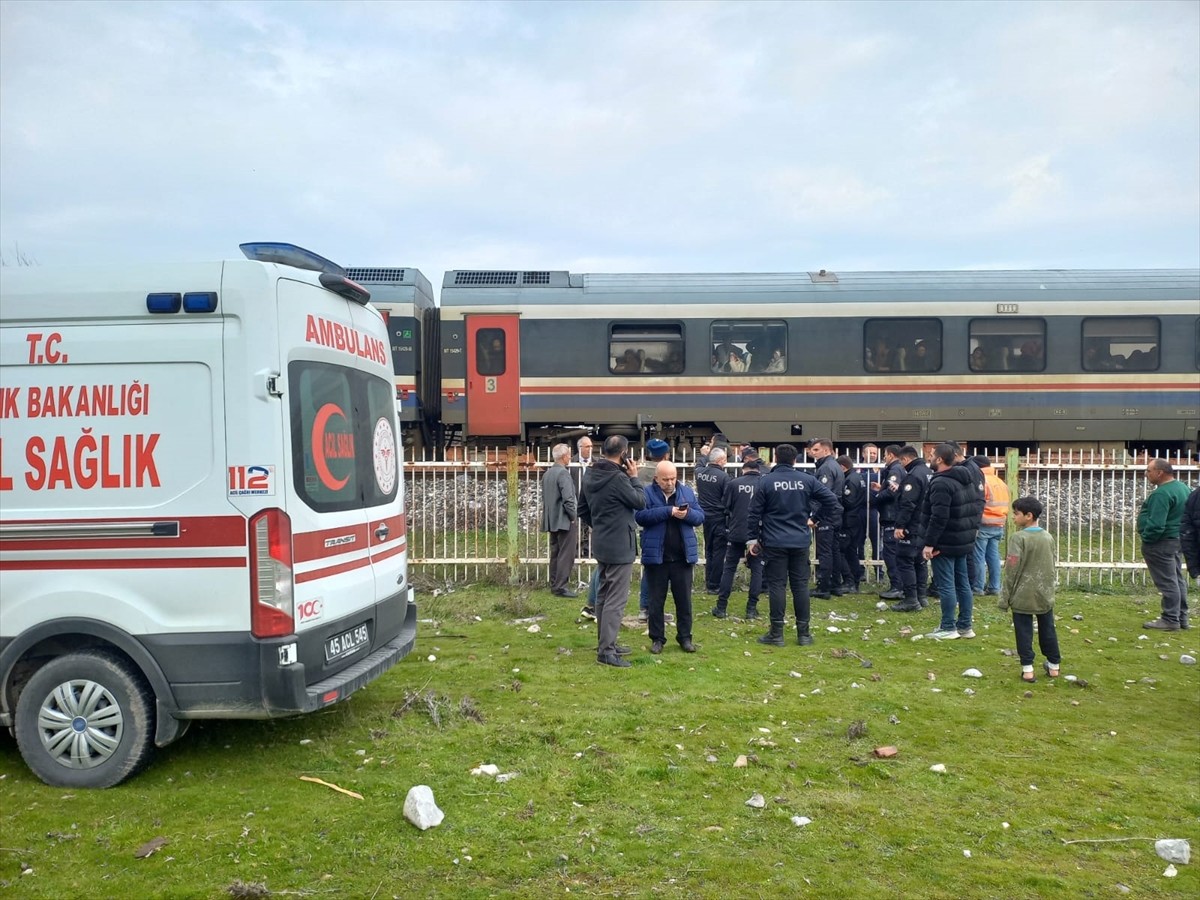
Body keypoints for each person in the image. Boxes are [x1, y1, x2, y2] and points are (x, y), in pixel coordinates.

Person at [746, 443, 841, 646]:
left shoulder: (766, 481)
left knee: (777, 586)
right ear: (794, 460)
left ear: (775, 458)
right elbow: (832, 501)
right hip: (800, 541)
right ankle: (803, 634)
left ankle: (776, 633)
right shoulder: (807, 480)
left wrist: (753, 539)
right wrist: (815, 519)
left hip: (774, 541)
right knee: (800, 586)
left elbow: (753, 513)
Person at [578, 435, 646, 667]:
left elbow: (582, 509)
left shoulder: (590, 473)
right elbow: (640, 501)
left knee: (603, 595)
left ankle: (606, 642)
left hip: (601, 542)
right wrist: (634, 477)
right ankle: (606, 651)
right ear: (624, 453)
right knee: (615, 599)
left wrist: (599, 525)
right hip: (620, 545)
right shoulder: (618, 478)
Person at [635, 460, 704, 654]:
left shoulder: (687, 492)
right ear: (656, 478)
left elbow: (700, 517)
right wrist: (668, 511)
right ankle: (657, 639)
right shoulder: (646, 493)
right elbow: (640, 517)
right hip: (657, 557)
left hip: (682, 557)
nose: (670, 482)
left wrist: (687, 514)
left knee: (684, 601)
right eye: (665, 479)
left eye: (673, 478)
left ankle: (685, 638)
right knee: (656, 602)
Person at [920, 442, 981, 640]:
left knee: (946, 585)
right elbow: (974, 508)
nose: (929, 458)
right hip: (962, 540)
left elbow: (939, 517)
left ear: (939, 459)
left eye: (931, 455)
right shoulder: (966, 479)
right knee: (963, 584)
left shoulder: (941, 483)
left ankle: (948, 626)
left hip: (944, 543)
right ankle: (965, 626)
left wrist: (929, 543)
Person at [998, 496, 1061, 682]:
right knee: (1048, 628)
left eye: (1016, 513)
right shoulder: (1048, 537)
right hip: (1044, 593)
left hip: (1022, 594)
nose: (1013, 517)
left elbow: (1012, 568)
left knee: (1023, 631)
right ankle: (1054, 665)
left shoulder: (1018, 538)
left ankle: (1027, 669)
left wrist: (1005, 597)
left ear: (1028, 515)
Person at [1138, 458, 1191, 631]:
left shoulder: (1161, 494)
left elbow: (1156, 524)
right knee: (1176, 579)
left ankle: (1170, 619)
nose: (1146, 474)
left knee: (1168, 582)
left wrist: (1147, 538)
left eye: (1148, 471)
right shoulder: (1182, 488)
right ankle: (1181, 617)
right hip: (1177, 539)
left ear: (1159, 473)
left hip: (1161, 542)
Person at [713, 457, 766, 619]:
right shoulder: (764, 484)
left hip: (736, 530)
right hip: (757, 532)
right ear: (758, 471)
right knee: (757, 570)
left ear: (744, 470)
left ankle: (721, 607)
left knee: (729, 568)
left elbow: (725, 506)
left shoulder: (734, 483)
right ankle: (751, 609)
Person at [890, 445, 932, 612]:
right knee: (920, 561)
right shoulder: (929, 473)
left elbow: (908, 503)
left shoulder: (913, 476)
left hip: (912, 525)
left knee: (906, 561)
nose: (901, 465)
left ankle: (911, 599)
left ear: (906, 459)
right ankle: (921, 596)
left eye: (901, 462)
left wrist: (900, 525)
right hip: (925, 524)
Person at [636, 439, 673, 621]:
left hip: (645, 526)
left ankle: (645, 608)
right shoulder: (664, 472)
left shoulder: (640, 472)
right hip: (663, 525)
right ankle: (652, 608)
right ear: (665, 455)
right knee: (660, 570)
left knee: (650, 568)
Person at [807, 438, 845, 597]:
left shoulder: (825, 468)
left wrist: (815, 517)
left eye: (816, 450)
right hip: (835, 514)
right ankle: (835, 584)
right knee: (834, 550)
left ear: (827, 450)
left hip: (826, 515)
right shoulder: (834, 466)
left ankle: (823, 587)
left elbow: (825, 496)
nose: (812, 452)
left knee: (825, 552)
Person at [541, 443, 579, 598]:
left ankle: (554, 583)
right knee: (566, 554)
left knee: (555, 553)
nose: (570, 457)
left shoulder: (547, 474)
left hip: (551, 519)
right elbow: (568, 499)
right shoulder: (563, 474)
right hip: (564, 520)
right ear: (564, 457)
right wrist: (573, 516)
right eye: (569, 455)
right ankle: (561, 586)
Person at [971, 455, 1010, 596]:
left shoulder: (982, 481)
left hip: (984, 523)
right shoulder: (1000, 482)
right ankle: (994, 586)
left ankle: (978, 587)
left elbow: (978, 504)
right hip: (999, 523)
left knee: (978, 556)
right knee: (993, 556)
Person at [872, 444, 906, 598]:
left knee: (890, 552)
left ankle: (897, 586)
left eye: (885, 455)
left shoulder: (895, 470)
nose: (884, 458)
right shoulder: (898, 469)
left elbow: (893, 491)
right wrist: (882, 488)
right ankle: (899, 585)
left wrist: (878, 496)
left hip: (891, 516)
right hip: (893, 515)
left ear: (891, 455)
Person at [695, 447, 730, 594]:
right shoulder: (724, 477)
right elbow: (727, 499)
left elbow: (699, 464)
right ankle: (714, 584)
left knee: (708, 549)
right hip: (719, 517)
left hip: (704, 516)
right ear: (721, 460)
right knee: (719, 551)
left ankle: (709, 580)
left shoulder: (699, 472)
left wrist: (704, 455)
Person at [835, 455, 866, 592]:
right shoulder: (858, 477)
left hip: (849, 519)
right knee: (851, 551)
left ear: (842, 467)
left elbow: (849, 501)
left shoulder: (850, 480)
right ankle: (854, 580)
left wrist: (837, 499)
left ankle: (849, 580)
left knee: (842, 551)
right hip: (856, 518)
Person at [1181, 484, 1200, 598]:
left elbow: (1187, 535)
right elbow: (1188, 535)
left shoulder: (1195, 496)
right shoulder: (1196, 496)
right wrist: (1195, 570)